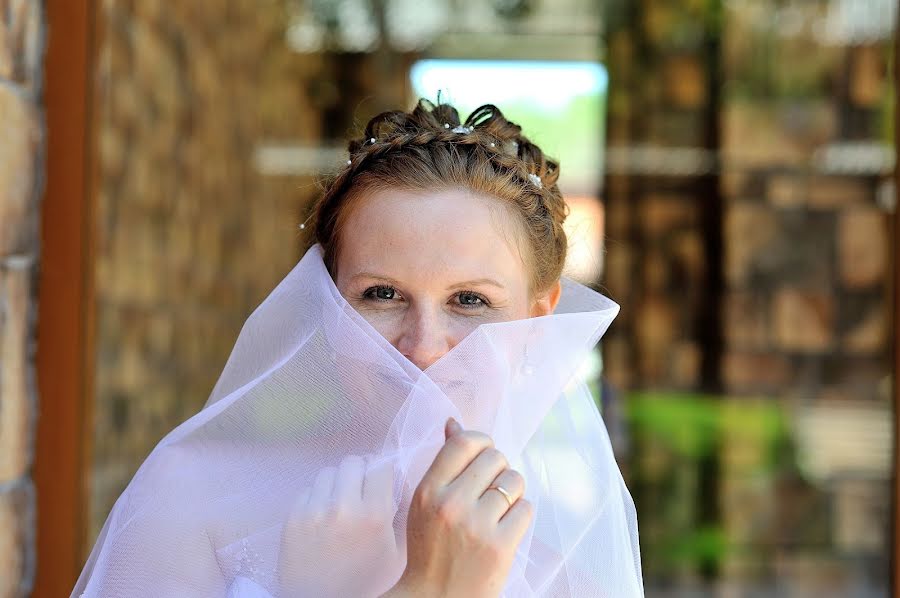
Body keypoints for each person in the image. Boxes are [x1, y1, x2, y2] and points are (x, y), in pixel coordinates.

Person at [73, 100, 642, 597]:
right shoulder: (190, 498)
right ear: (327, 303)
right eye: (382, 294)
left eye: (469, 300)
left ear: (536, 324)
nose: (422, 348)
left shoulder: (568, 584)